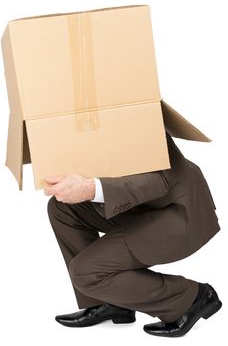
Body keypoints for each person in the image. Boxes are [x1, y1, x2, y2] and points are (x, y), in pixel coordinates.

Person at [44, 132, 222, 337]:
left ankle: (190, 298)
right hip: (144, 206)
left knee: (86, 273)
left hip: (178, 215)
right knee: (63, 209)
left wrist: (90, 188)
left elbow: (157, 181)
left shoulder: (139, 114)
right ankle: (110, 302)